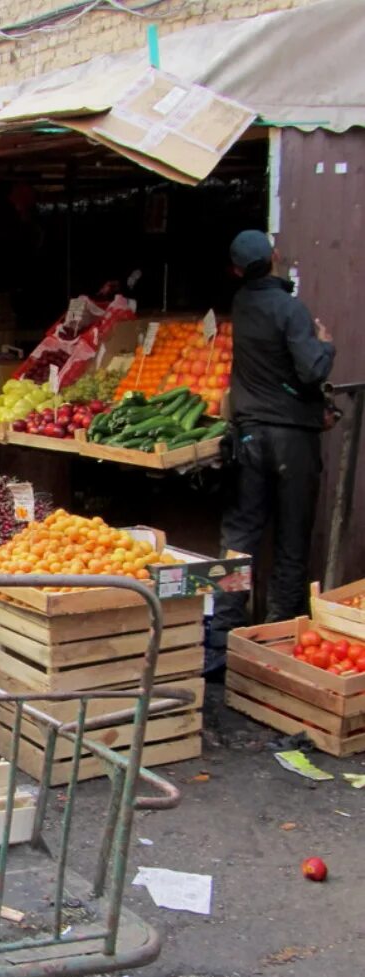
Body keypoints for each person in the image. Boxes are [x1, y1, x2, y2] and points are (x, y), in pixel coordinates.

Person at [207, 230, 336, 677]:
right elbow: (311, 369)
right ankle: (278, 639)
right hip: (291, 442)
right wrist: (323, 341)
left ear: (238, 270)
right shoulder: (290, 308)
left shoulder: (244, 304)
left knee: (239, 541)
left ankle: (221, 640)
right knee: (290, 539)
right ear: (276, 257)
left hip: (249, 438)